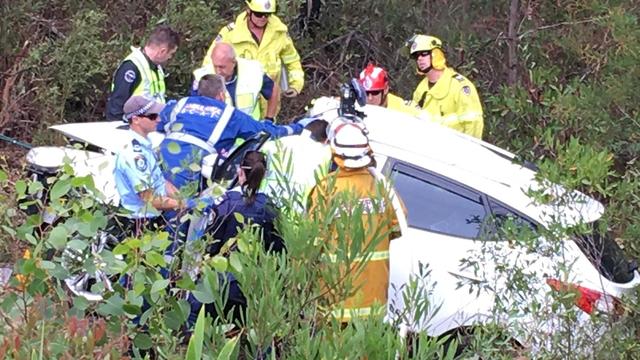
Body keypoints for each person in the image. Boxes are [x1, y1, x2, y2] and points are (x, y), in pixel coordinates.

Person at [307, 118, 401, 323]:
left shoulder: (325, 191)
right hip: (374, 302)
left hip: (336, 304)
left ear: (334, 153)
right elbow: (397, 228)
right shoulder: (382, 188)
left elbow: (312, 244)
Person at [157, 74, 314, 192]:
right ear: (221, 95)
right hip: (192, 167)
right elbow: (267, 133)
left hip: (160, 163)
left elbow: (157, 124)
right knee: (183, 215)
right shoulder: (230, 114)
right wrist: (298, 127)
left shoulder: (180, 104)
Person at [187, 150, 283, 326]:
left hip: (223, 275)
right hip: (255, 277)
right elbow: (277, 247)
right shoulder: (270, 206)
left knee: (193, 314)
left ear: (240, 171)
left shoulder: (225, 203)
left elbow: (211, 243)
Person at [202, 0, 304, 115]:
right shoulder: (230, 33)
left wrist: (296, 84)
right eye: (258, 14)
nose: (263, 18)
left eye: (267, 15)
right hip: (236, 105)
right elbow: (209, 63)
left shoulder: (279, 32)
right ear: (248, 11)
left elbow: (292, 60)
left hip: (270, 105)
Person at [406, 34, 484, 139]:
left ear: (436, 54)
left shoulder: (460, 86)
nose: (419, 59)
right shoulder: (420, 89)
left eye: (424, 54)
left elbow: (474, 123)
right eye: (416, 56)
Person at [106, 25, 180, 121]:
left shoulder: (155, 67)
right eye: (171, 54)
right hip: (133, 127)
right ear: (162, 51)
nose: (170, 57)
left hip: (150, 125)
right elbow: (117, 107)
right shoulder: (132, 67)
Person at [192, 42, 278, 120]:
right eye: (215, 66)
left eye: (222, 67)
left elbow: (273, 89)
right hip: (218, 132)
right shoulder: (201, 77)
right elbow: (192, 107)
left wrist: (269, 119)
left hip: (249, 131)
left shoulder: (253, 70)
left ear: (233, 62)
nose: (218, 71)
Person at [358, 63, 429, 119]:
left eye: (375, 93)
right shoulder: (356, 106)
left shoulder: (403, 110)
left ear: (385, 89)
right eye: (366, 93)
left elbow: (430, 121)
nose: (370, 98)